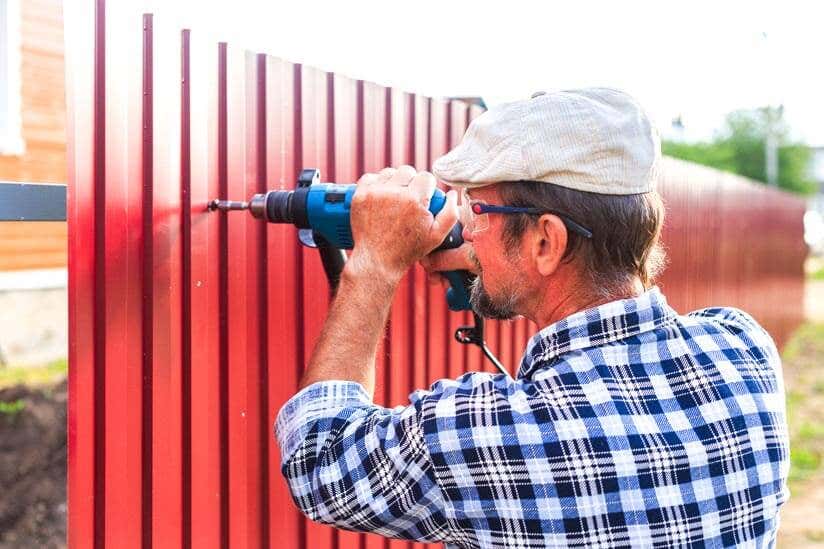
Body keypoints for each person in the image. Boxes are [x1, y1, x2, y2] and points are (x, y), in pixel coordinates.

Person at [275, 88, 789, 548]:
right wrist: (508, 262)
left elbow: (321, 461)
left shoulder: (485, 436)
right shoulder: (742, 348)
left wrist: (375, 264)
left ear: (547, 241)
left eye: (477, 210)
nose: (466, 228)